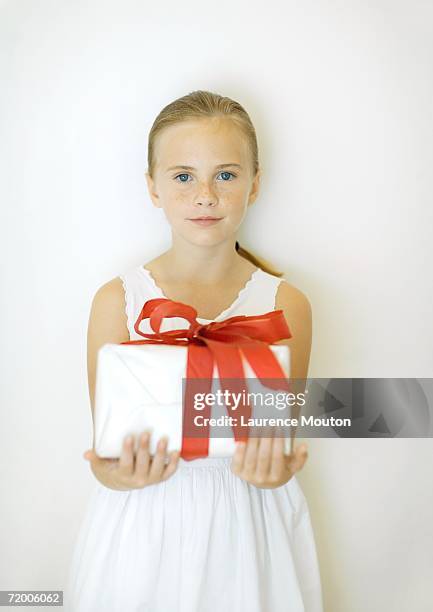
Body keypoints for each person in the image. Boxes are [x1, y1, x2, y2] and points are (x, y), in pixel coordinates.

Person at [66, 90, 324, 611]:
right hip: (143, 524)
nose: (204, 194)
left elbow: (275, 438)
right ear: (153, 188)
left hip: (249, 527)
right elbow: (105, 453)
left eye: (226, 175)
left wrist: (276, 471)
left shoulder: (284, 303)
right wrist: (115, 473)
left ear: (255, 185)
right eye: (183, 176)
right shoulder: (117, 300)